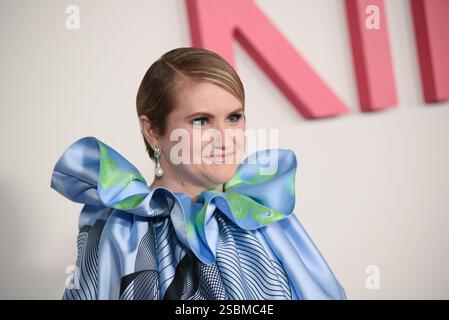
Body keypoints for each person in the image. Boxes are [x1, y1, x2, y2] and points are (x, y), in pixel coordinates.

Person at [50, 47, 346, 300]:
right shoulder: (119, 230)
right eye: (201, 121)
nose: (225, 137)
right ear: (152, 130)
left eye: (234, 117)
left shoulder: (262, 215)